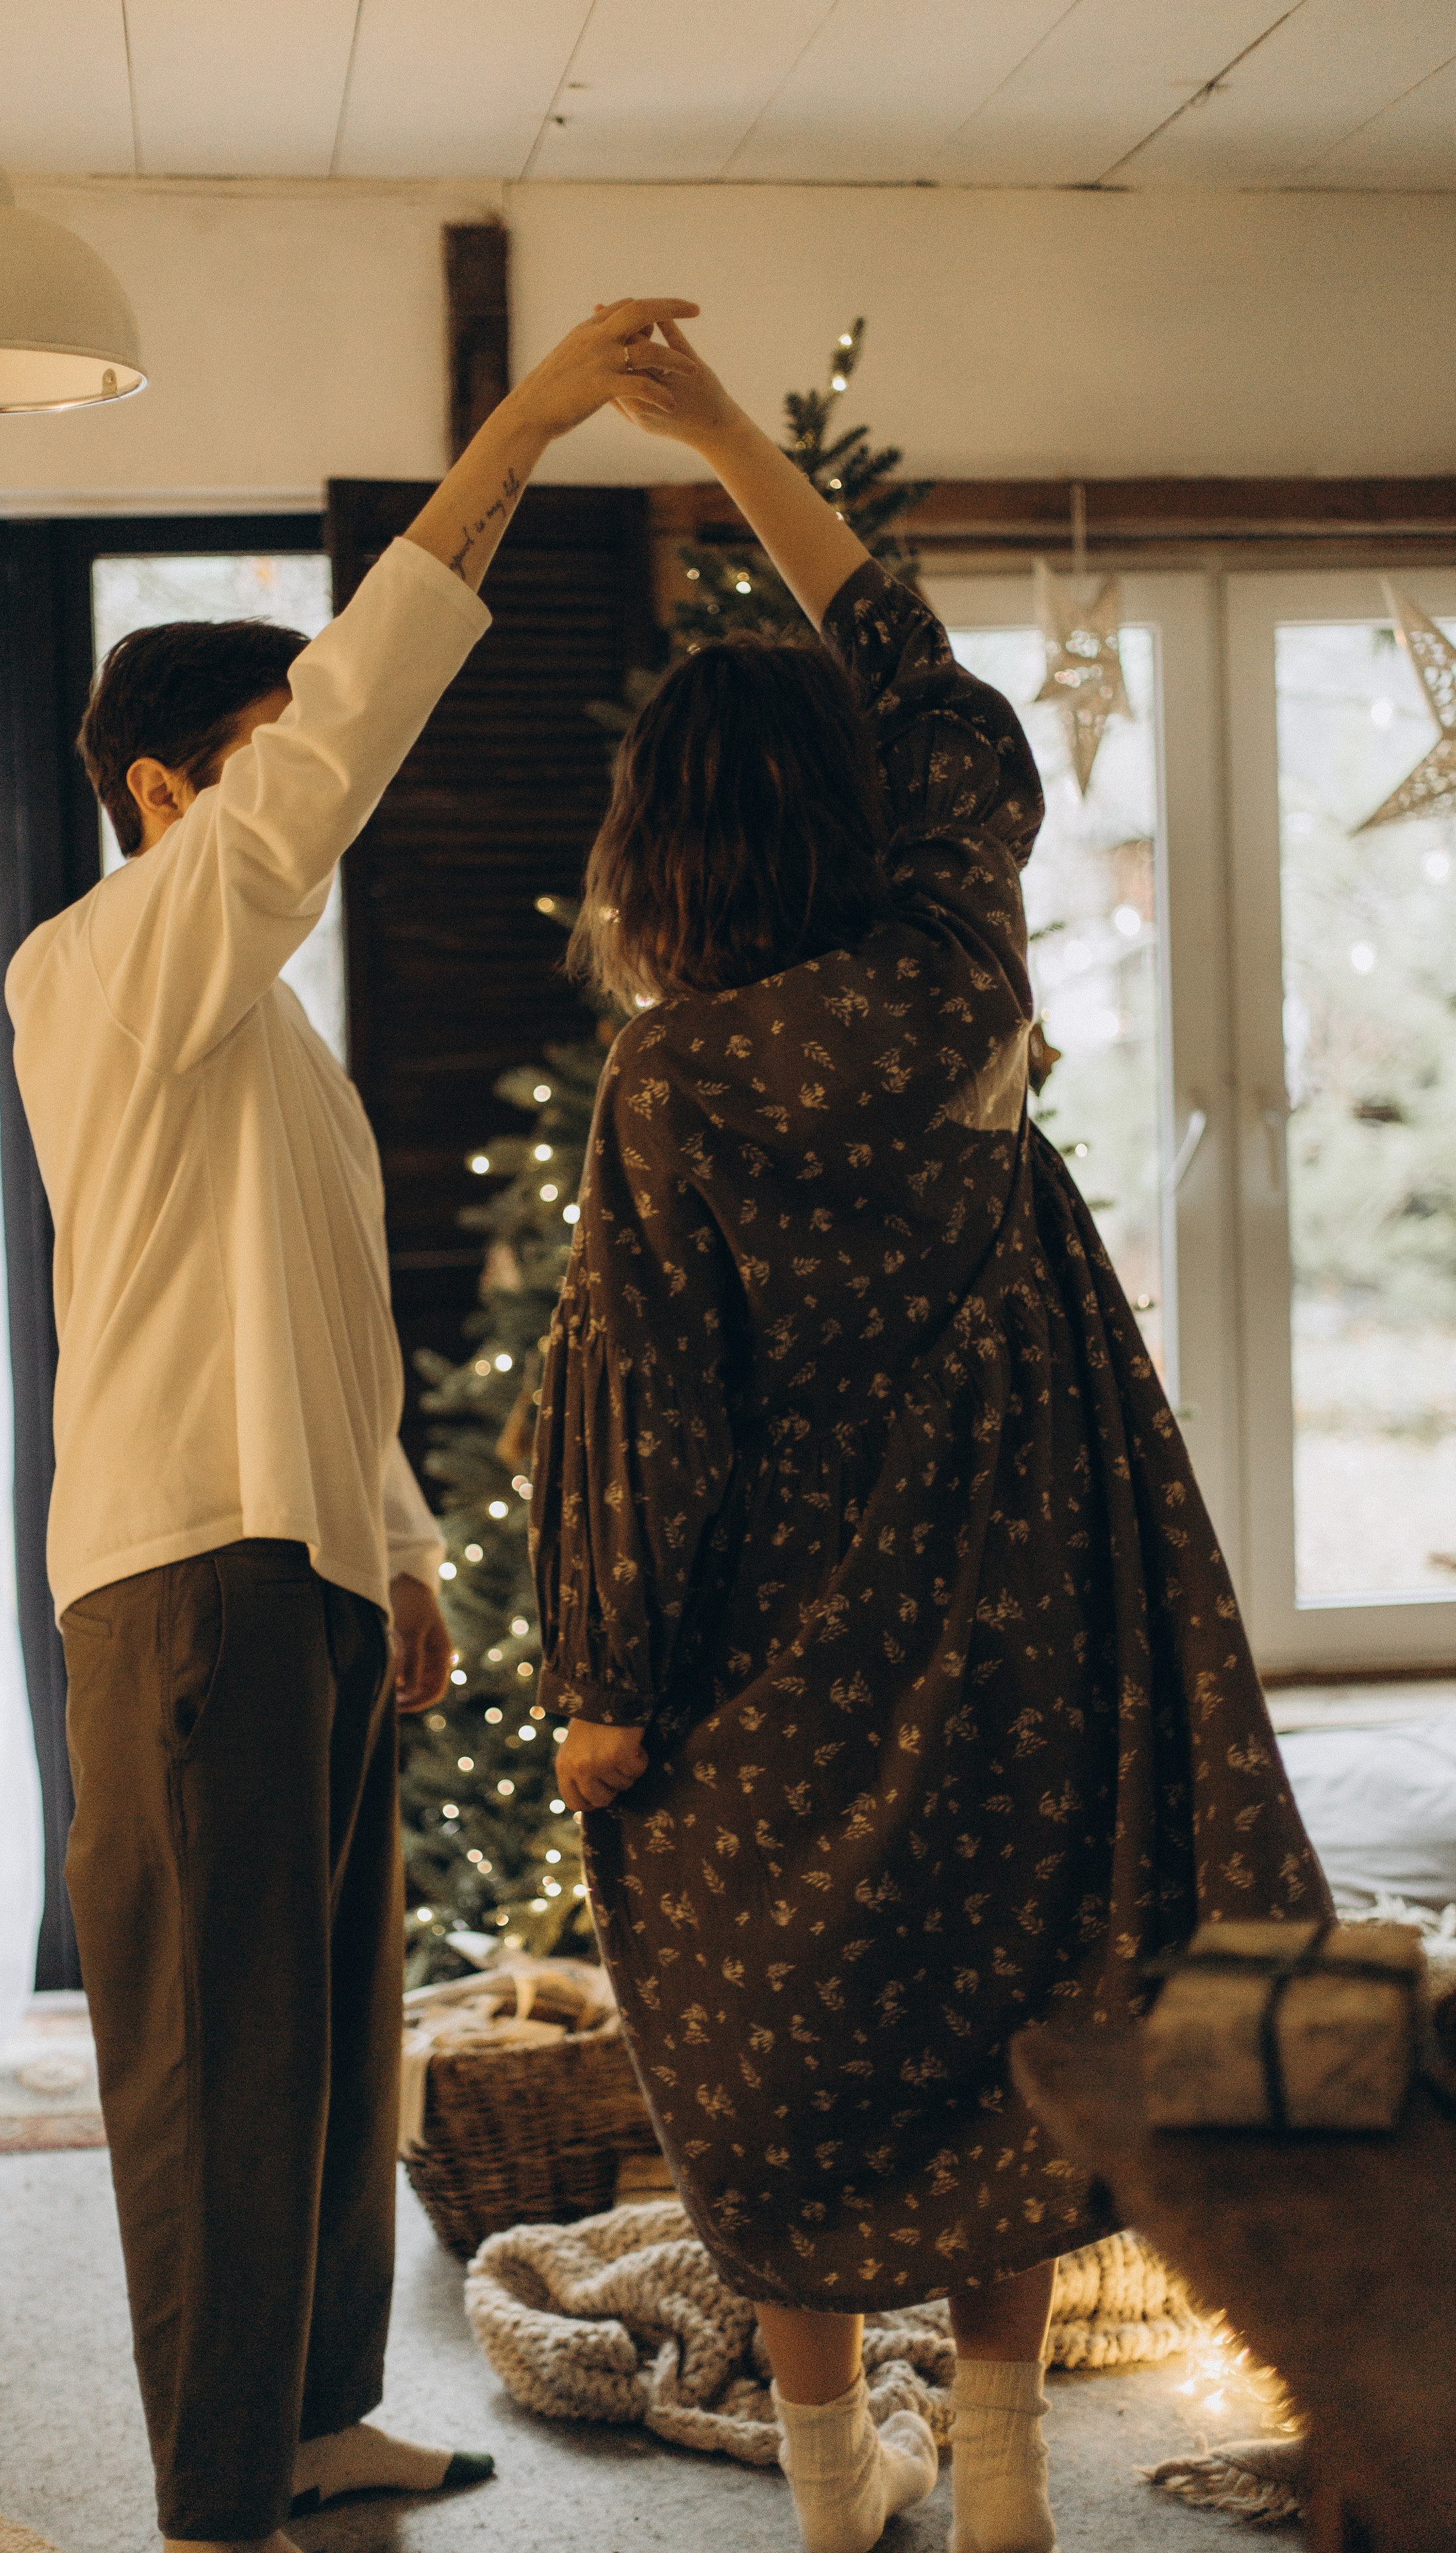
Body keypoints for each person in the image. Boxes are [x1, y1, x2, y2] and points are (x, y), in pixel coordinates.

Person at [532, 322, 1328, 2553]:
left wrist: (603, 1682)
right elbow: (919, 666)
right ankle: (994, 2478)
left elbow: (650, 1419)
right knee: (1008, 2019)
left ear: (666, 853)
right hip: (1021, 1607)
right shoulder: (960, 945)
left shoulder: (674, 1084)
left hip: (779, 1655)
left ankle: (821, 2485)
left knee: (785, 2056)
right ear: (858, 809)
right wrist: (715, 437)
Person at [7, 297, 699, 2553]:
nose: (311, 785)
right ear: (166, 791)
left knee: (324, 2052)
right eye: (270, 751)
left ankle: (311, 2422)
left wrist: (398, 1545)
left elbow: (327, 1328)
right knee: (211, 2067)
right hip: (181, 1574)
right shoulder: (105, 965)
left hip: (298, 1562)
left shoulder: (271, 1047)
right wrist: (513, 437)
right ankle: (219, 2493)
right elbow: (351, 741)